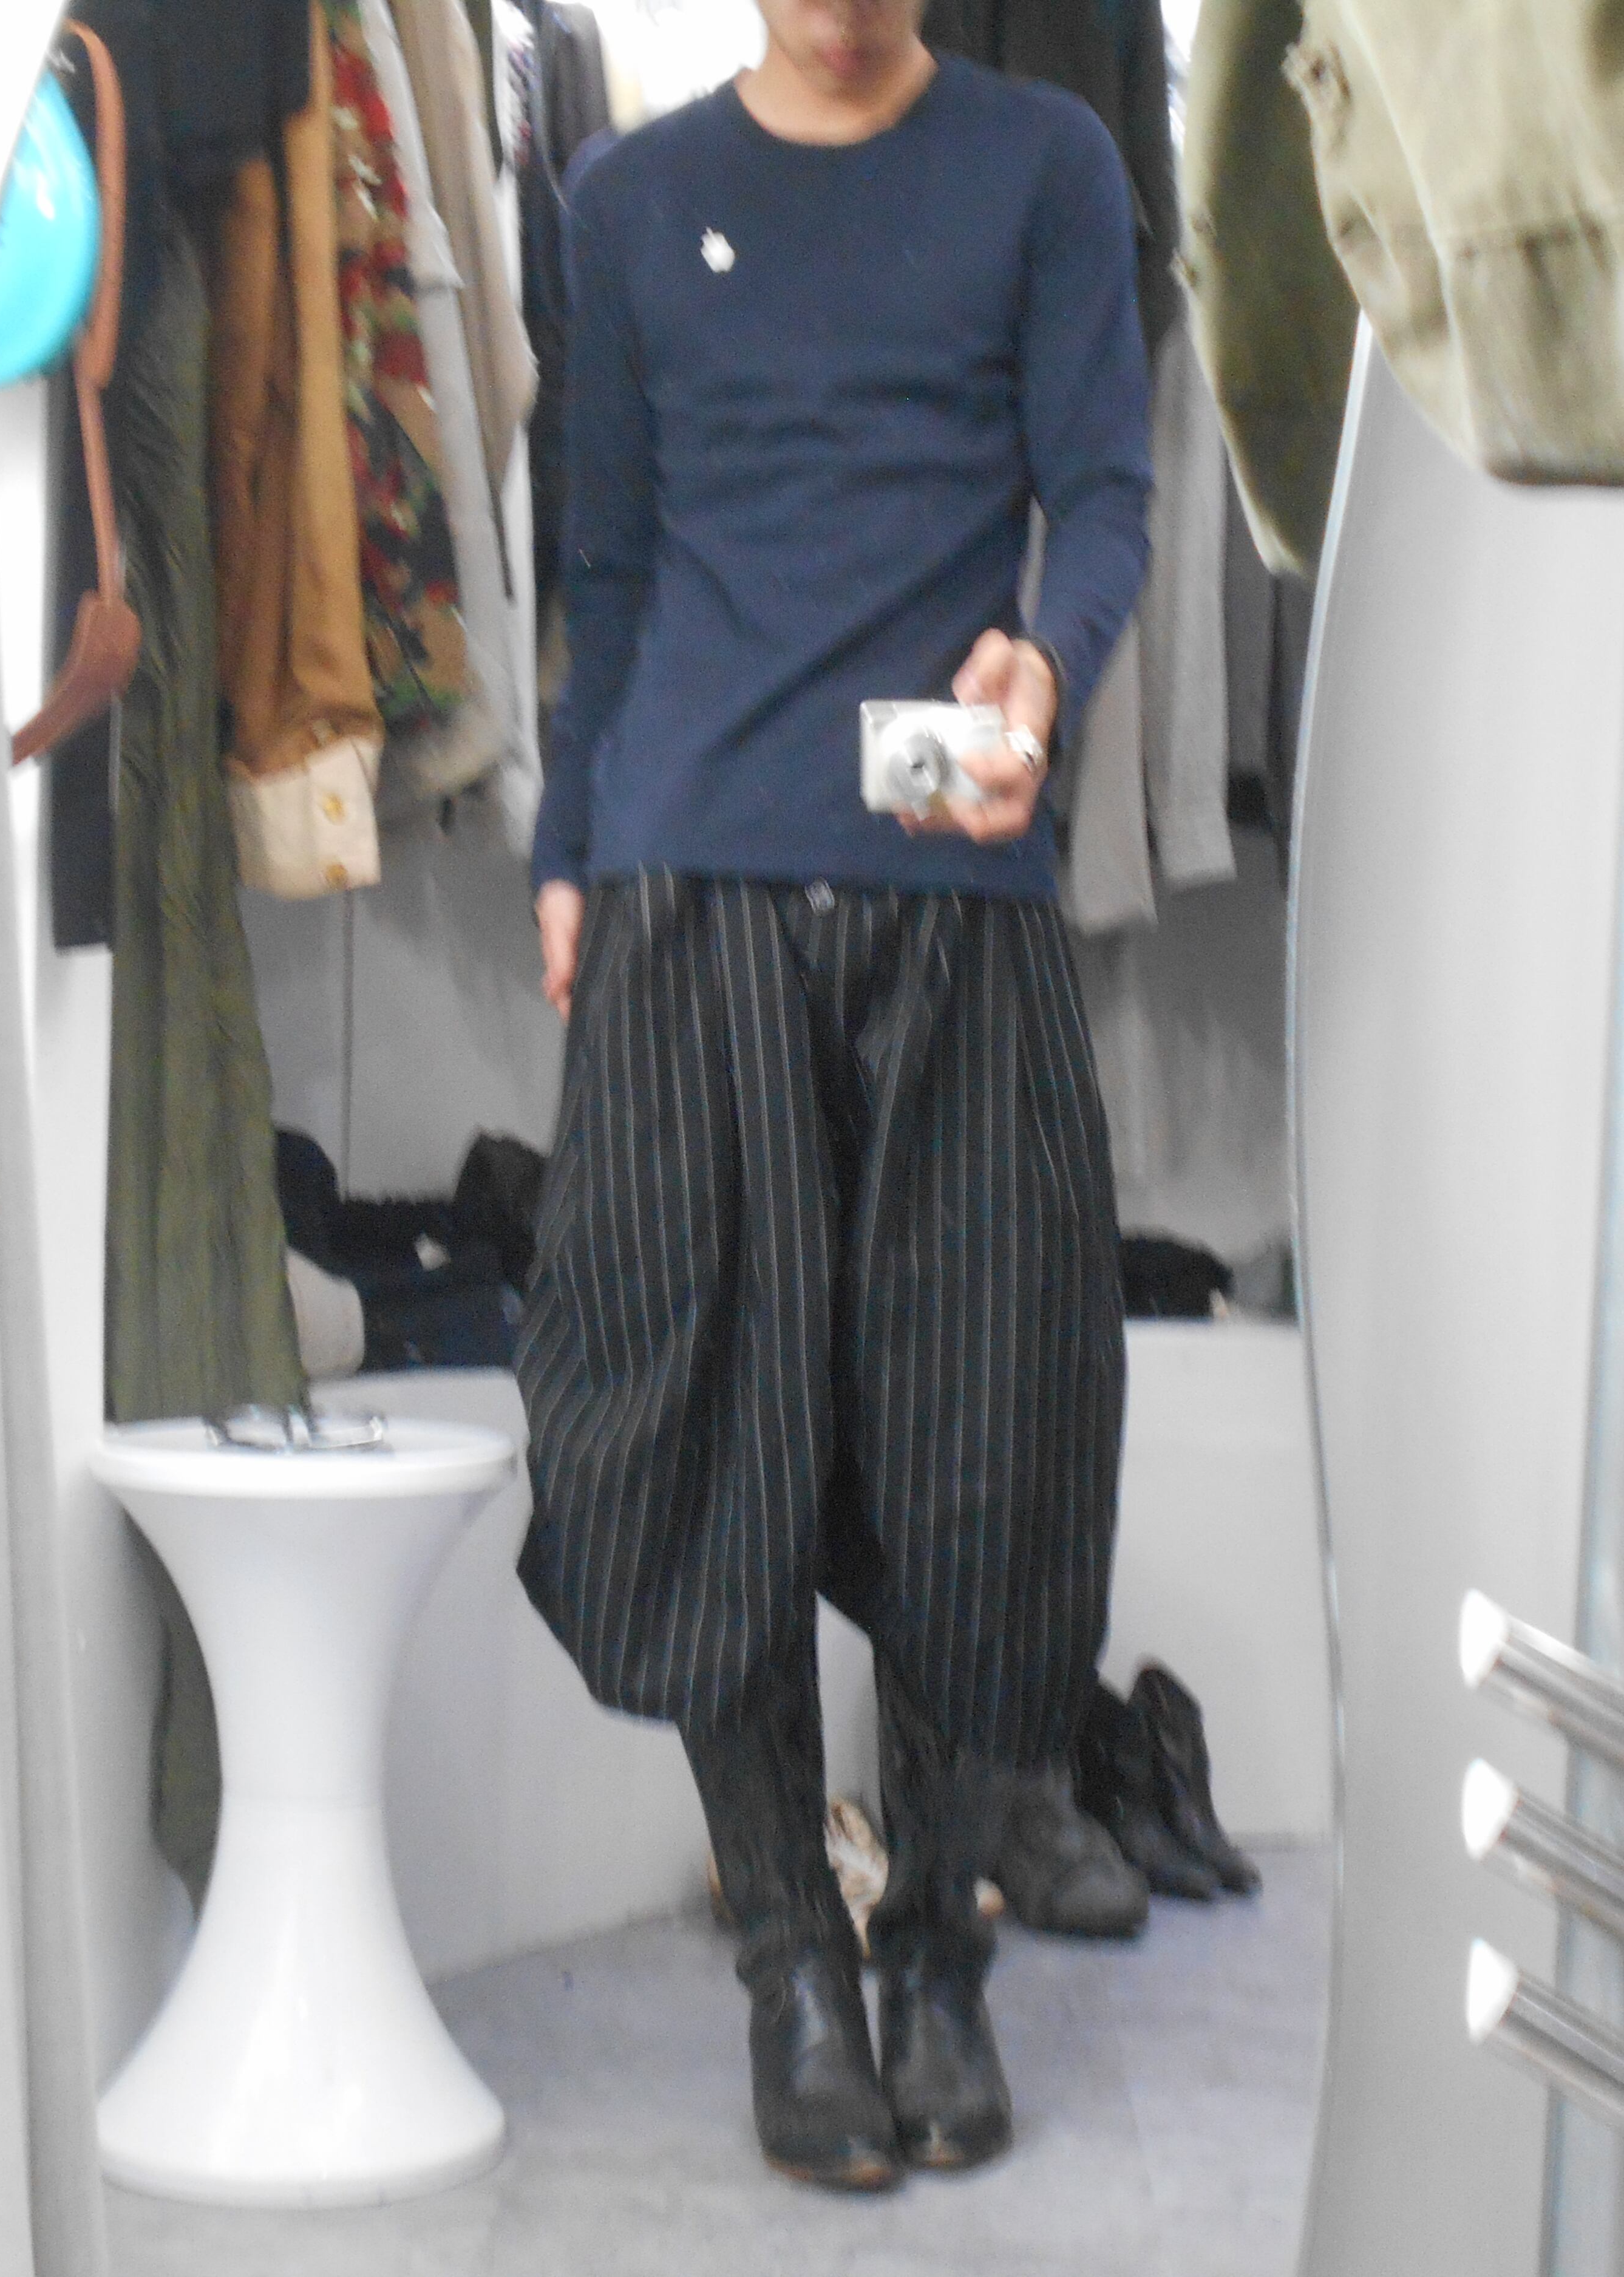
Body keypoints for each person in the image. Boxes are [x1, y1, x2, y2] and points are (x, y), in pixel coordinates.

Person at [513, 0, 1152, 2196]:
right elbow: (608, 567)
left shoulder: (1045, 165)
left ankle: (941, 1969)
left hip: (943, 856)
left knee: (987, 1435)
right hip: (692, 864)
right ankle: (796, 1964)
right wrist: (571, 847)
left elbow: (1108, 490)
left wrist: (1052, 658)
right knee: (713, 1431)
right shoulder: (628, 200)